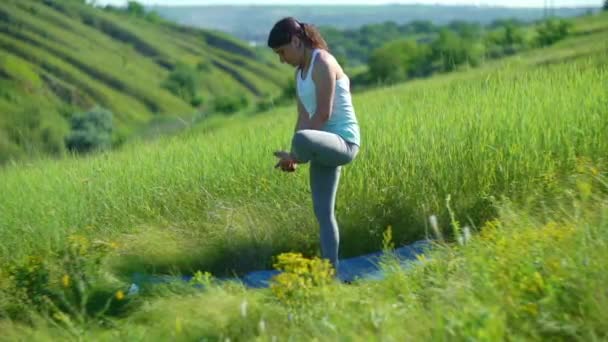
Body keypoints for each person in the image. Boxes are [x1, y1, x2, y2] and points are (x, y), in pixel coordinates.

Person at [267, 17, 361, 273]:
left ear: (296, 41)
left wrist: (297, 155)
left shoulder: (323, 62)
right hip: (320, 148)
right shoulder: (300, 75)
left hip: (343, 143)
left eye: (282, 52)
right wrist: (292, 158)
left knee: (302, 139)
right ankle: (332, 276)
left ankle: (302, 152)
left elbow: (322, 114)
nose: (281, 59)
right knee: (323, 214)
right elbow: (303, 117)